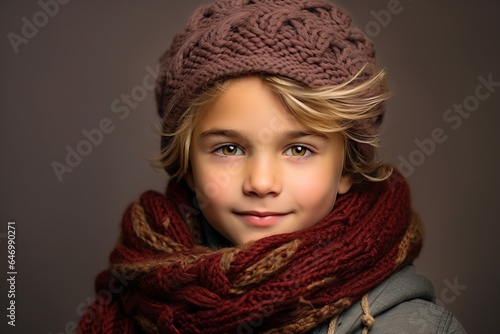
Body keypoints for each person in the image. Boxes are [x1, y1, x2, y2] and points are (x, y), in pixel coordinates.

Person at [78, 0, 466, 333]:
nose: (261, 183)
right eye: (228, 148)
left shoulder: (411, 326)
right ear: (188, 164)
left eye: (298, 150)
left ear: (346, 166)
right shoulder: (133, 297)